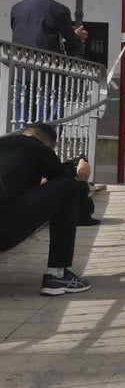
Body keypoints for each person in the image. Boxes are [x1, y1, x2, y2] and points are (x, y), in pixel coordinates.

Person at [0, 122, 92, 296]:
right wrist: (81, 176)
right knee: (68, 187)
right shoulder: (38, 147)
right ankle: (57, 276)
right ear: (47, 144)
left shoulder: (5, 145)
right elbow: (68, 191)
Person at [10, 0, 88, 56]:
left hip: (20, 64)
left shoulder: (16, 8)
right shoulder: (60, 10)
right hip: (47, 64)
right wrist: (77, 38)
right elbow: (73, 43)